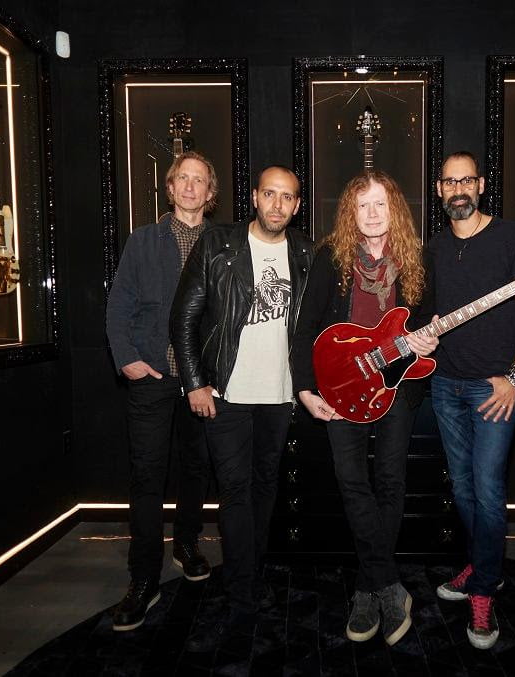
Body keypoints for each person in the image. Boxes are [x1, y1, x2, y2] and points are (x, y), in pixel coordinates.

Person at [170, 165, 313, 651]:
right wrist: (195, 384)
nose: (277, 204)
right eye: (269, 194)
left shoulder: (306, 252)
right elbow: (183, 318)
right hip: (227, 395)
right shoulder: (218, 244)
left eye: (287, 197)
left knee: (265, 489)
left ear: (296, 205)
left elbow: (313, 324)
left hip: (278, 395)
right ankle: (242, 597)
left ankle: (251, 575)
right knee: (235, 492)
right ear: (254, 196)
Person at [293, 171, 438, 646]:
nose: (372, 215)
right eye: (362, 206)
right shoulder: (330, 260)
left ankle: (367, 586)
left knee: (390, 481)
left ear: (394, 208)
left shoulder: (417, 260)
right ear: (349, 213)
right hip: (341, 387)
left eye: (380, 204)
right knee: (351, 480)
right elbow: (305, 328)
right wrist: (306, 389)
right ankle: (387, 585)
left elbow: (426, 330)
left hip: (396, 387)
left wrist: (427, 339)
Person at [424, 151, 515, 650]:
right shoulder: (432, 248)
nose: (459, 189)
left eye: (467, 180)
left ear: (480, 185)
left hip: (493, 388)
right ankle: (483, 562)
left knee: (489, 491)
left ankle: (483, 591)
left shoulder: (513, 238)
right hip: (444, 386)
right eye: (450, 181)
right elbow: (426, 316)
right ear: (439, 190)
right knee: (464, 491)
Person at [104, 151, 218, 631]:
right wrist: (128, 360)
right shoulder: (142, 241)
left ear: (211, 193)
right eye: (182, 179)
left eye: (200, 180)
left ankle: (188, 544)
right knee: (148, 479)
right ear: (170, 189)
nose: (191, 187)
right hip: (151, 379)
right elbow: (118, 306)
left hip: (204, 382)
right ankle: (143, 579)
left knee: (195, 471)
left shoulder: (224, 243)